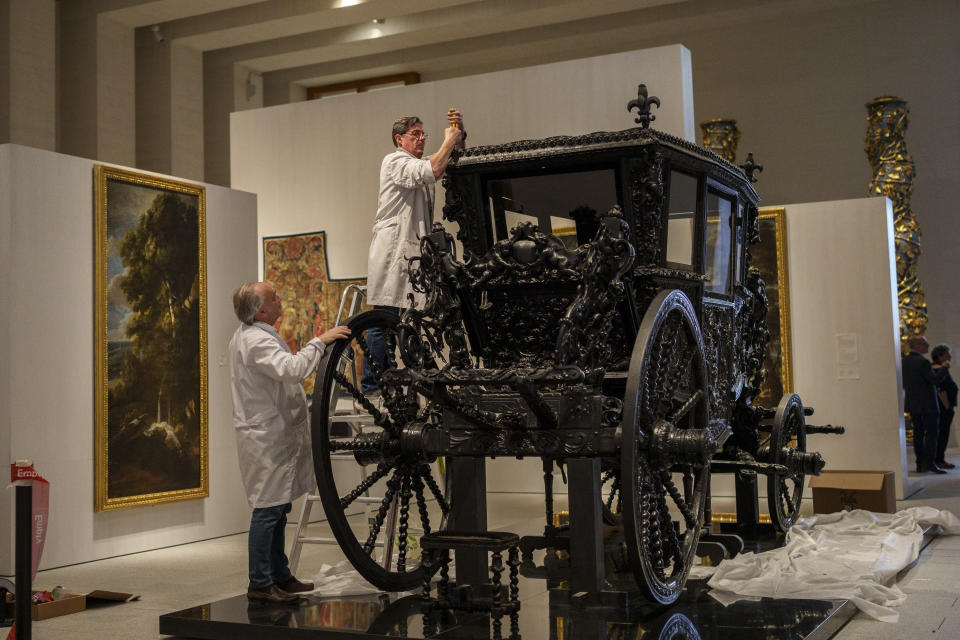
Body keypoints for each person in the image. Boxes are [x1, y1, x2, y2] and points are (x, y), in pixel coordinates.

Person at [229, 281, 351, 603]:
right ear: (262, 310)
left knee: (279, 508)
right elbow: (291, 369)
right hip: (266, 438)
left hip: (272, 435)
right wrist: (320, 342)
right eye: (274, 297)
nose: (280, 298)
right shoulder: (255, 340)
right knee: (268, 510)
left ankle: (279, 576)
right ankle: (260, 582)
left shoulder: (256, 335)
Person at [361, 110, 465, 394]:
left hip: (412, 256)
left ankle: (404, 382)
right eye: (415, 134)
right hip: (393, 253)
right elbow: (432, 170)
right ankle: (372, 384)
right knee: (383, 319)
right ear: (400, 139)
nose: (421, 139)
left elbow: (444, 164)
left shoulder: (419, 162)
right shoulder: (395, 161)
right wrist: (449, 140)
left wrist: (458, 135)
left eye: (423, 134)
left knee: (408, 321)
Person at [902, 335, 948, 474]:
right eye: (925, 344)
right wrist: (944, 368)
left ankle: (919, 464)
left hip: (912, 402)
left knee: (918, 433)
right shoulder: (923, 362)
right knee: (932, 434)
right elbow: (934, 380)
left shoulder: (904, 362)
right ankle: (930, 463)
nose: (928, 347)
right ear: (918, 346)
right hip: (928, 404)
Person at [932, 343, 957, 469]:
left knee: (942, 433)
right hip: (943, 408)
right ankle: (939, 459)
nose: (950, 356)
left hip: (945, 407)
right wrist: (947, 406)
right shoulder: (938, 369)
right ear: (940, 356)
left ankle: (939, 458)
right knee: (942, 433)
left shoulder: (940, 368)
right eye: (948, 354)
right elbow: (940, 388)